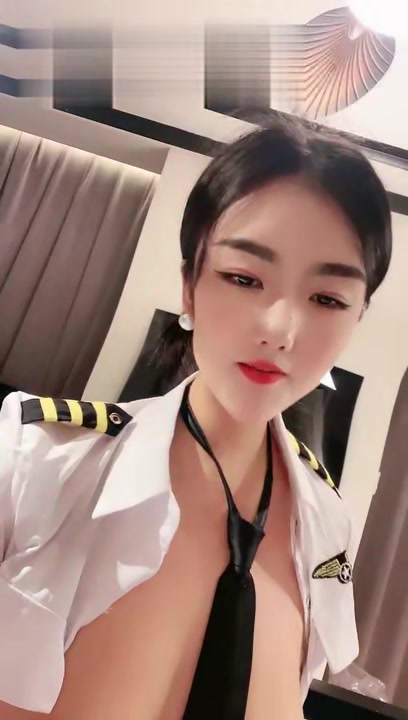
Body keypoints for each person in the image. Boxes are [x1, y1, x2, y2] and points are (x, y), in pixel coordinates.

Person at [0, 117, 392, 720]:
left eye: (326, 299)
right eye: (243, 278)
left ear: (356, 316)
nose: (279, 330)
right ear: (189, 286)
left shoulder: (327, 526)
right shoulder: (36, 460)